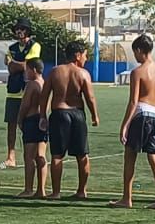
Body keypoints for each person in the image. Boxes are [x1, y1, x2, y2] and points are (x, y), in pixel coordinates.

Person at [114, 34, 155, 209]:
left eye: (135, 53)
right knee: (154, 155)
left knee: (130, 155)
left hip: (142, 114)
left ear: (139, 50)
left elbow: (133, 101)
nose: (135, 56)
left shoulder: (137, 72)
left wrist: (125, 125)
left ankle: (127, 198)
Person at [45, 44, 100, 199]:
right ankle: (82, 191)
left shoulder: (55, 71)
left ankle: (56, 192)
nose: (86, 59)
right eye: (85, 55)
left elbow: (45, 94)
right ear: (77, 55)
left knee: (57, 155)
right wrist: (94, 115)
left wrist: (43, 115)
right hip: (77, 114)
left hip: (59, 113)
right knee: (82, 154)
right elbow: (90, 97)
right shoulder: (83, 73)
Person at [18, 58, 51, 198]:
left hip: (31, 120)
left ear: (34, 70)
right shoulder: (46, 83)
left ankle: (28, 189)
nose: (25, 72)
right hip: (42, 120)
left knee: (29, 156)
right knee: (41, 155)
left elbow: (25, 104)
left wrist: (20, 119)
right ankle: (41, 190)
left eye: (27, 69)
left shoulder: (32, 85)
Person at [1, 42, 29, 169]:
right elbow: (11, 68)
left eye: (23, 31)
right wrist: (20, 65)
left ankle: (31, 155)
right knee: (11, 126)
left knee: (27, 126)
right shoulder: (11, 48)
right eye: (18, 31)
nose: (20, 33)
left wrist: (14, 63)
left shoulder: (34, 46)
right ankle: (10, 158)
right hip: (13, 92)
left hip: (27, 91)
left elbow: (28, 66)